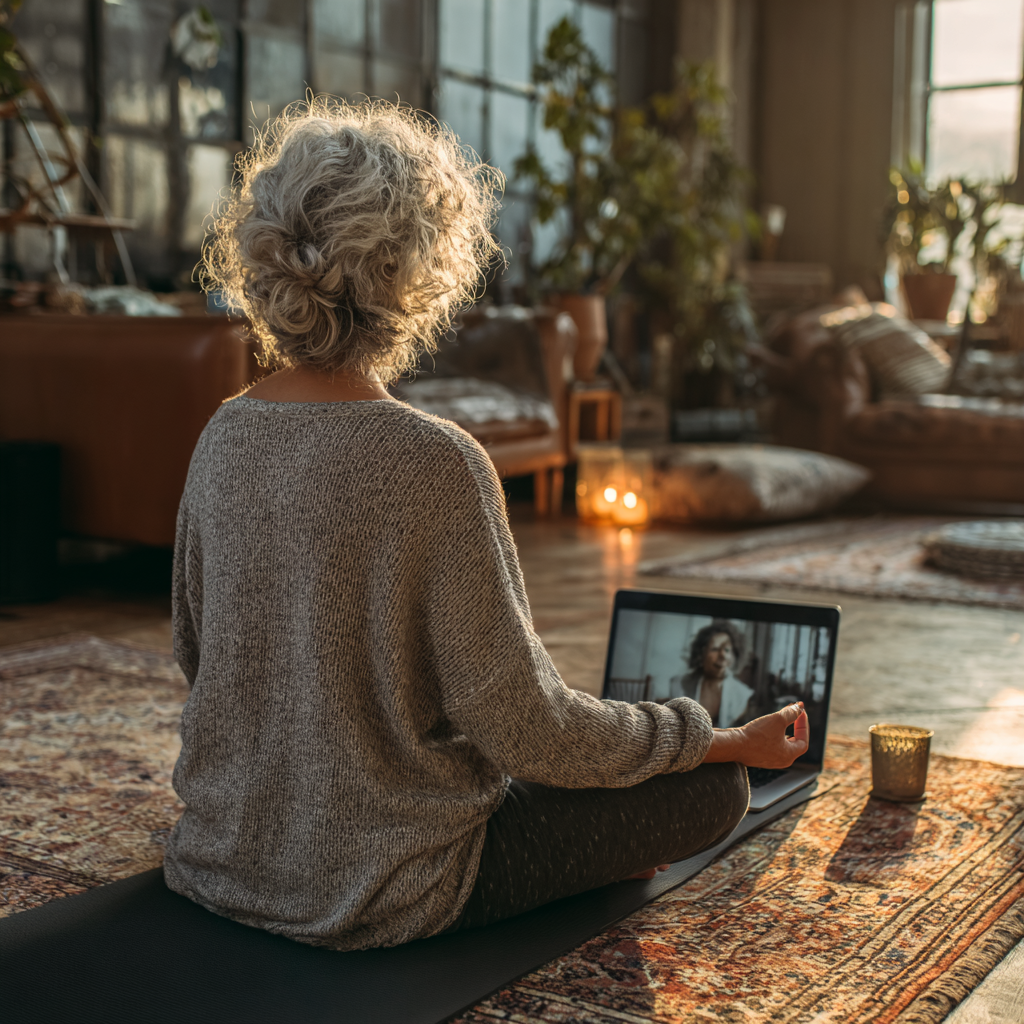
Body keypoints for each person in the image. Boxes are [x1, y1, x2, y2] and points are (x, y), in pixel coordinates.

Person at [162, 98, 809, 952]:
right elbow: (527, 731)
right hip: (392, 889)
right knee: (712, 792)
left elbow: (196, 655)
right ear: (414, 269)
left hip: (224, 860)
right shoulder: (438, 463)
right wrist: (715, 738)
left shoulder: (221, 437)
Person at [668, 621, 756, 728]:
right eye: (715, 649)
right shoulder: (680, 685)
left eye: (727, 650)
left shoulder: (741, 695)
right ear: (701, 653)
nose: (723, 656)